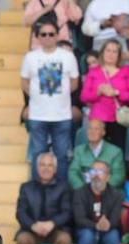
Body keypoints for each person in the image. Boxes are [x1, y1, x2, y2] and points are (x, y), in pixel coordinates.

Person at [21, 21, 79, 182]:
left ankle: (60, 194)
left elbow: (74, 82)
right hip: (38, 115)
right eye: (43, 34)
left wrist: (60, 98)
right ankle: (36, 193)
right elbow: (24, 81)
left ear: (57, 35)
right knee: (38, 155)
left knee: (61, 155)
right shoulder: (30, 57)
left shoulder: (68, 56)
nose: (47, 37)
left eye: (51, 34)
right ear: (38, 37)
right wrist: (35, 96)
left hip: (61, 115)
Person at [81, 39, 129, 151]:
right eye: (108, 50)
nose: (110, 54)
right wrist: (98, 92)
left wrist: (117, 93)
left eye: (114, 51)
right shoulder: (94, 71)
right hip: (98, 119)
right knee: (97, 152)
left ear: (119, 55)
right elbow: (84, 96)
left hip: (119, 119)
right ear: (102, 53)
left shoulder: (127, 71)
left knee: (117, 152)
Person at [16, 151, 74, 244]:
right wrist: (33, 225)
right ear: (37, 168)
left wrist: (52, 223)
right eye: (42, 165)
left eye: (50, 165)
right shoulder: (26, 187)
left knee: (65, 240)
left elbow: (67, 212)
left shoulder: (64, 187)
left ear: (55, 169)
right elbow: (21, 213)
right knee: (23, 240)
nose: (46, 168)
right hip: (32, 230)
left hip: (56, 230)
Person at [71, 159, 125, 244]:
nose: (96, 175)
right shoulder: (79, 193)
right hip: (86, 228)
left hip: (107, 229)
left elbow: (115, 218)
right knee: (87, 236)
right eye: (93, 171)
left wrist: (108, 224)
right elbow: (79, 219)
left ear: (108, 177)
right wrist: (96, 225)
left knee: (113, 237)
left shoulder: (117, 195)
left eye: (100, 172)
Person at [69, 118, 126, 189]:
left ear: (103, 132)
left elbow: (118, 176)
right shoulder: (79, 151)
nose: (92, 132)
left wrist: (102, 190)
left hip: (108, 193)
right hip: (84, 192)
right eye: (90, 129)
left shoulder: (115, 152)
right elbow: (73, 173)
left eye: (96, 129)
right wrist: (83, 190)